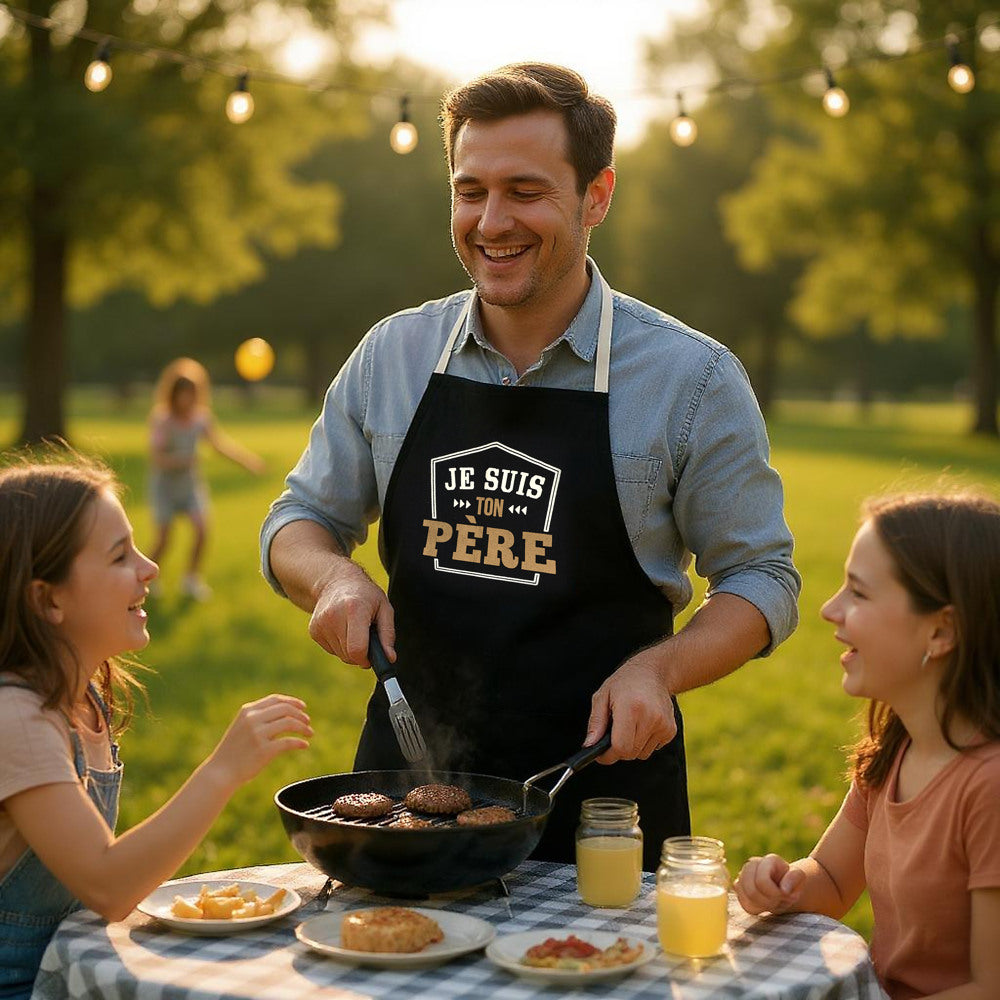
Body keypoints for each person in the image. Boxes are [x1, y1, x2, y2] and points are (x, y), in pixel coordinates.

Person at [260, 62, 800, 870]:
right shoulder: (393, 356)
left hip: (605, 801)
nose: (490, 221)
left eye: (524, 190)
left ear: (597, 197)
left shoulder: (692, 380)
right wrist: (334, 579)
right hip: (408, 799)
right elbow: (295, 522)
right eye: (469, 190)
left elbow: (763, 577)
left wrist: (661, 670)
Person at [0, 452, 312, 1000]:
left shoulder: (84, 698)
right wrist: (221, 771)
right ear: (48, 599)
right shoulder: (16, 718)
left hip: (69, 974)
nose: (151, 568)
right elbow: (109, 883)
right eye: (121, 556)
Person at [734, 492, 1000, 999]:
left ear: (941, 630)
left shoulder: (988, 786)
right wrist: (783, 884)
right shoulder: (895, 750)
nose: (830, 609)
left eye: (858, 592)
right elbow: (832, 880)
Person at [148, 357, 265, 601]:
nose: (187, 399)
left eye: (192, 394)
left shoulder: (201, 418)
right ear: (173, 394)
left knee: (202, 530)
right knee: (165, 538)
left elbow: (219, 445)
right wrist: (182, 460)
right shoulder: (163, 420)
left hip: (190, 486)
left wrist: (248, 461)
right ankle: (148, 579)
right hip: (166, 487)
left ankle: (191, 580)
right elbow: (157, 458)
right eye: (183, 394)